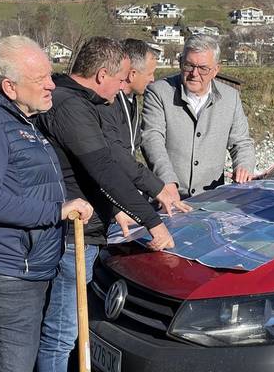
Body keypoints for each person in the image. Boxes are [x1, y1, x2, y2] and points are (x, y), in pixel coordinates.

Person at [0, 35, 93, 372]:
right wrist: (55, 210)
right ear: (10, 87)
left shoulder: (19, 120)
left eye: (50, 75)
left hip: (27, 272)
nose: (51, 85)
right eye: (40, 78)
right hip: (3, 277)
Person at [35, 36, 174, 372]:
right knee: (60, 334)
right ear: (101, 75)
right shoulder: (70, 107)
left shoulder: (78, 101)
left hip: (85, 228)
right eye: (121, 78)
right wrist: (153, 222)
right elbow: (103, 167)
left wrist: (114, 209)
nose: (123, 86)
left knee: (64, 330)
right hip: (73, 236)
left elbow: (86, 167)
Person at [141, 34, 255, 200]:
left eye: (203, 68)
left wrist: (244, 166)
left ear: (215, 70)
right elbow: (152, 139)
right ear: (181, 62)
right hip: (166, 198)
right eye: (189, 65)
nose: (194, 73)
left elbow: (242, 142)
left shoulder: (231, 98)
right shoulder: (158, 92)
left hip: (211, 199)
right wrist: (167, 181)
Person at [99, 38, 191, 215]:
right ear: (132, 74)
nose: (152, 79)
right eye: (150, 74)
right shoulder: (110, 104)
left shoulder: (131, 101)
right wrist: (156, 189)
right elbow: (117, 157)